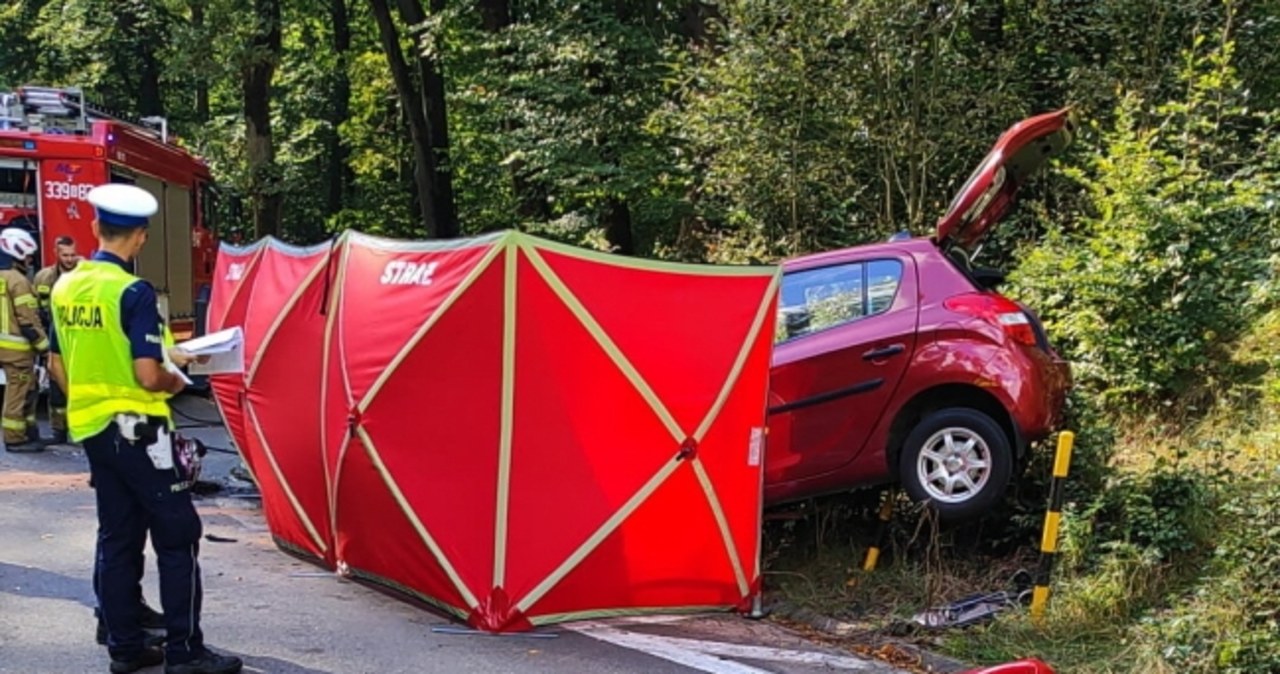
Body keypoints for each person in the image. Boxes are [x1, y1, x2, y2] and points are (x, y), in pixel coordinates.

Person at [48, 183, 242, 674]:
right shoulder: (132, 292)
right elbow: (147, 374)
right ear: (140, 238)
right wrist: (179, 378)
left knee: (118, 535)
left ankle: (126, 647)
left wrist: (93, 401)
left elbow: (56, 363)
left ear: (94, 230)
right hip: (141, 431)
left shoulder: (65, 286)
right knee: (179, 534)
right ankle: (185, 652)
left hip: (93, 428)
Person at [0, 226, 49, 452]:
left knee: (28, 387)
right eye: (28, 255)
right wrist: (45, 348)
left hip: (4, 346)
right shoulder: (18, 281)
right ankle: (14, 438)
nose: (30, 260)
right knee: (19, 389)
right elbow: (28, 321)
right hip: (17, 350)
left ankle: (28, 430)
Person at [34, 234, 80, 444]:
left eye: (72, 254)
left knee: (80, 387)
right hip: (55, 336)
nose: (69, 259)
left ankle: (81, 430)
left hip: (80, 339)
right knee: (56, 389)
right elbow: (36, 311)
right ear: (56, 253)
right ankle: (58, 431)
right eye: (65, 255)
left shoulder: (85, 275)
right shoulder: (44, 277)